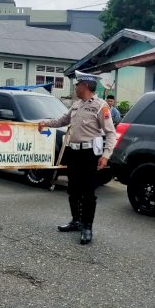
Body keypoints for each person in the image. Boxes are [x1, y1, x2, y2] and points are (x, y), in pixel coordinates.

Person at [37, 73, 117, 245]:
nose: (75, 87)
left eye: (78, 84)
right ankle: (76, 221)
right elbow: (62, 121)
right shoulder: (76, 105)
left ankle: (87, 227)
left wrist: (106, 155)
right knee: (73, 189)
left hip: (90, 155)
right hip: (73, 153)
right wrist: (45, 123)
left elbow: (111, 133)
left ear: (86, 86)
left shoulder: (100, 106)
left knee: (88, 192)